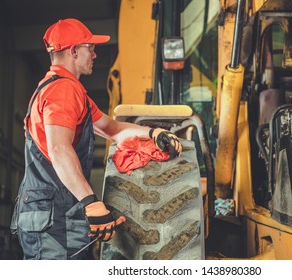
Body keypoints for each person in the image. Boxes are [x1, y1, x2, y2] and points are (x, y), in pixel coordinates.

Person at [10, 18, 182, 260]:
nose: (94, 55)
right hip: (54, 218)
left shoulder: (68, 90)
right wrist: (90, 202)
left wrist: (152, 133)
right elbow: (59, 149)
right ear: (73, 51)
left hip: (52, 212)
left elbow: (112, 129)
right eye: (90, 48)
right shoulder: (63, 91)